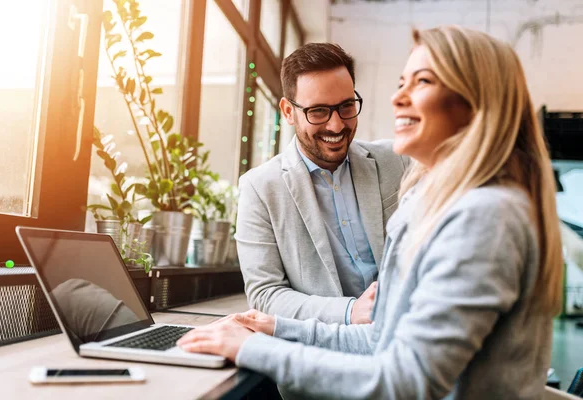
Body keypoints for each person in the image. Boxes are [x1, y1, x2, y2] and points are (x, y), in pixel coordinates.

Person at [178, 25, 563, 399]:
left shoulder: (482, 214)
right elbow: (384, 338)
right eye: (402, 83)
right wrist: (275, 327)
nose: (397, 99)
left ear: (478, 103)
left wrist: (251, 348)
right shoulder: (452, 201)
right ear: (289, 111)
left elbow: (405, 378)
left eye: (423, 82)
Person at [237, 43, 408, 325]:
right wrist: (349, 311)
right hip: (323, 342)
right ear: (288, 112)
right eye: (318, 112)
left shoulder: (397, 161)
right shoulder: (259, 188)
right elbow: (265, 294)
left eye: (346, 106)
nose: (336, 125)